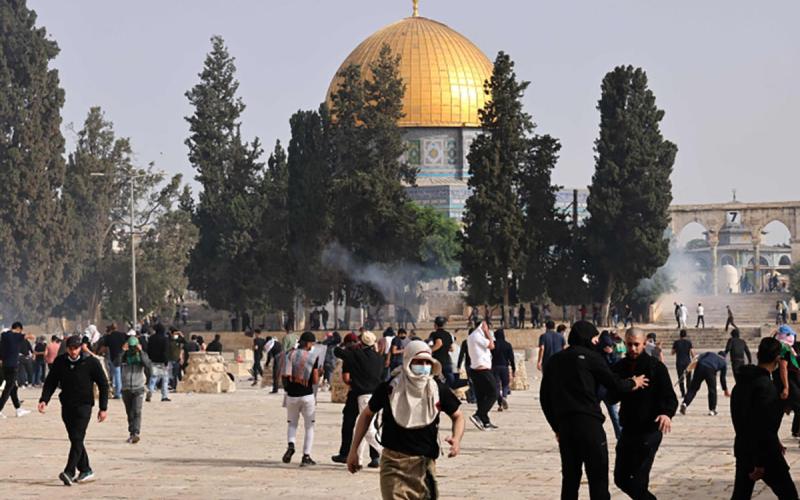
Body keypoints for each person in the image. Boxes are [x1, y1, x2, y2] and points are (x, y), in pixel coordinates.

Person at [540, 321, 649, 500]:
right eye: (594, 338)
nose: (596, 341)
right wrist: (633, 383)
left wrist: (556, 427)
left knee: (570, 479)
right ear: (587, 338)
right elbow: (613, 383)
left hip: (566, 428)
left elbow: (545, 399)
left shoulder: (554, 361)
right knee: (598, 479)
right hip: (590, 425)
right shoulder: (592, 358)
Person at [346, 340, 465, 499]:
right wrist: (353, 450)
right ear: (408, 360)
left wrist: (456, 439)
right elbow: (366, 415)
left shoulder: (437, 389)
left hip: (424, 465)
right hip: (393, 464)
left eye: (427, 362)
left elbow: (458, 416)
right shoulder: (390, 388)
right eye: (418, 362)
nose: (423, 366)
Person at [610, 328, 677, 500]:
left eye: (636, 345)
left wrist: (666, 414)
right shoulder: (619, 367)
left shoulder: (656, 367)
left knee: (639, 481)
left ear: (644, 343)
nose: (633, 349)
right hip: (628, 429)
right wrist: (629, 385)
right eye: (629, 345)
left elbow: (670, 397)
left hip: (649, 431)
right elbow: (611, 396)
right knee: (621, 478)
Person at [730, 337, 799, 499]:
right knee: (789, 495)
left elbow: (744, 419)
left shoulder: (741, 383)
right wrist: (759, 463)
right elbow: (761, 427)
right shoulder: (766, 387)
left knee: (741, 496)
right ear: (777, 359)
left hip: (744, 448)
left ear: (758, 355)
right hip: (765, 454)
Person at [38, 335, 109, 486]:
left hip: (84, 405)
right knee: (75, 438)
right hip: (67, 405)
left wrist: (103, 408)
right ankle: (85, 469)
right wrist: (44, 399)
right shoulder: (60, 362)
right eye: (70, 349)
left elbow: (103, 384)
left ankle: (69, 472)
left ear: (81, 347)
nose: (73, 352)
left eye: (76, 348)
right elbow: (51, 381)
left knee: (77, 437)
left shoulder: (91, 362)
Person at [333, 330, 384, 468]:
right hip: (376, 394)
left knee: (368, 429)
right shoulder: (379, 358)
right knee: (362, 427)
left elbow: (337, 351)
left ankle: (385, 454)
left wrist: (345, 347)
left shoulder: (356, 355)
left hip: (363, 395)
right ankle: (358, 459)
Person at [281, 331, 321, 467]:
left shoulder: (289, 354)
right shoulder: (312, 357)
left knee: (292, 423)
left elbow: (284, 375)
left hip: (291, 395)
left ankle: (291, 445)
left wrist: (287, 389)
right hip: (307, 395)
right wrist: (320, 373)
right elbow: (315, 380)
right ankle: (306, 456)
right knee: (309, 426)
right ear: (308, 343)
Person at [117, 336, 152, 444]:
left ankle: (135, 433)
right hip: (126, 388)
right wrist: (123, 351)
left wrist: (140, 351)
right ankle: (132, 432)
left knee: (137, 411)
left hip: (138, 387)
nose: (132, 349)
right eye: (131, 346)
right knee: (130, 413)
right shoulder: (124, 356)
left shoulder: (141, 356)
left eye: (134, 346)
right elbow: (116, 363)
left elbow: (148, 365)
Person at [467, 320, 497, 430]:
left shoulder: (471, 336)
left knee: (482, 396)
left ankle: (485, 421)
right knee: (494, 393)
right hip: (482, 370)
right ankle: (478, 414)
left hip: (475, 370)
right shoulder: (477, 336)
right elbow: (492, 345)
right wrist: (487, 332)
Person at [680, 351, 730, 416]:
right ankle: (712, 410)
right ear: (724, 357)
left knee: (693, 388)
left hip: (700, 366)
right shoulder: (723, 362)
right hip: (711, 370)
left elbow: (696, 359)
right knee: (712, 390)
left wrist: (687, 370)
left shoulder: (710, 353)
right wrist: (725, 390)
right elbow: (722, 379)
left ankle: (685, 403)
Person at [0, 322, 32, 418]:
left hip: (5, 365)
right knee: (8, 388)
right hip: (13, 366)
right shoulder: (17, 336)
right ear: (18, 329)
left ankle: (18, 409)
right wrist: (26, 335)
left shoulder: (4, 336)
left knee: (13, 387)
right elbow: (30, 336)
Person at [97, 324, 127, 399]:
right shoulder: (122, 335)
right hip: (121, 356)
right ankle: (117, 391)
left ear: (110, 329)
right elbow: (130, 340)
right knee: (118, 374)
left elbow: (104, 348)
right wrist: (124, 349)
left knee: (116, 375)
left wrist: (97, 353)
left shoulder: (109, 337)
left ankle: (118, 393)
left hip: (113, 357)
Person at [491, 329, 515, 411]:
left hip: (495, 367)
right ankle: (504, 397)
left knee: (497, 385)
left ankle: (500, 403)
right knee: (505, 384)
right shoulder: (508, 345)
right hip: (504, 367)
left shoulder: (493, 344)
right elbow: (511, 358)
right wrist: (513, 369)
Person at [146, 324, 171, 403]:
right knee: (165, 379)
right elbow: (165, 351)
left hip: (153, 360)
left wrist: (150, 357)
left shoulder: (151, 338)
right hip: (162, 361)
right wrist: (166, 361)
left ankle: (150, 391)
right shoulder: (165, 339)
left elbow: (148, 349)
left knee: (153, 377)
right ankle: (164, 396)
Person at [429, 316, 455, 387]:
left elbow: (439, 343)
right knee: (450, 379)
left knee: (436, 380)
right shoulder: (448, 334)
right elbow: (452, 349)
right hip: (447, 360)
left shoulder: (435, 334)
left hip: (438, 360)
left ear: (435, 325)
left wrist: (429, 350)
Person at [672, 329, 695, 398]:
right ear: (686, 335)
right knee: (688, 378)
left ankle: (683, 393)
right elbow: (692, 353)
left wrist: (677, 350)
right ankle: (688, 392)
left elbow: (672, 353)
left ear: (680, 335)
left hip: (679, 362)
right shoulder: (689, 342)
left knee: (681, 378)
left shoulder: (676, 342)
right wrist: (694, 360)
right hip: (688, 362)